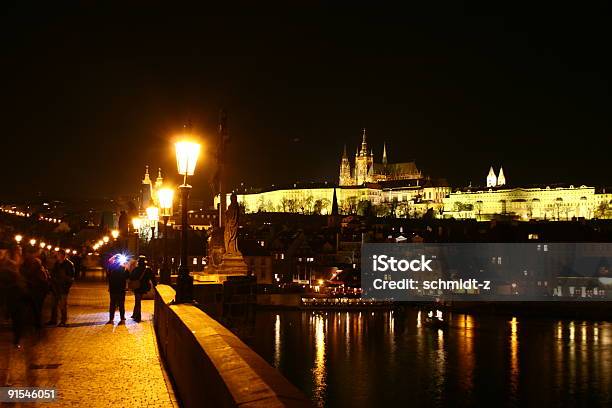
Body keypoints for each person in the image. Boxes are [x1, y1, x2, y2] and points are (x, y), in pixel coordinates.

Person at [0, 242, 26, 346]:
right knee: (14, 317)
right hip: (11, 295)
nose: (19, 253)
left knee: (17, 319)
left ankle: (17, 339)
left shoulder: (23, 263)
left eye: (20, 251)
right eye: (17, 251)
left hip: (18, 296)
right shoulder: (8, 264)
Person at [20, 247, 50, 329]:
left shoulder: (34, 263)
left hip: (37, 288)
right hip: (38, 288)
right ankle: (35, 322)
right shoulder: (37, 262)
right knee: (36, 306)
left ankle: (37, 323)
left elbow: (29, 273)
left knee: (36, 306)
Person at [47, 249, 75, 327]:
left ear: (63, 255)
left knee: (63, 305)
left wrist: (66, 285)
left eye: (59, 254)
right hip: (55, 287)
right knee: (53, 304)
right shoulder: (57, 264)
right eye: (57, 255)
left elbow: (71, 278)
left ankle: (63, 320)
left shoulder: (69, 264)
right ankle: (53, 320)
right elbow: (53, 274)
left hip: (63, 288)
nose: (58, 256)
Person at [129, 255, 156, 322]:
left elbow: (131, 277)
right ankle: (135, 314)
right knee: (138, 301)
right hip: (144, 287)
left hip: (137, 287)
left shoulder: (136, 269)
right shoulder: (148, 269)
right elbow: (152, 278)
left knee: (137, 301)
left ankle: (137, 316)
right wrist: (155, 285)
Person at [106, 254, 129, 324]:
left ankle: (111, 318)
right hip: (121, 289)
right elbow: (128, 276)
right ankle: (122, 318)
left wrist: (114, 257)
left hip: (113, 289)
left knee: (112, 304)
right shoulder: (123, 268)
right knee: (121, 304)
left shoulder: (110, 268)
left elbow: (108, 276)